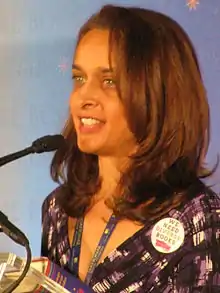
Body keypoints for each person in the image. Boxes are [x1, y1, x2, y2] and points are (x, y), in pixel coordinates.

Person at [41, 4, 220, 292]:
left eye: (109, 81)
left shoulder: (199, 221)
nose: (83, 97)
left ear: (157, 95)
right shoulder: (57, 209)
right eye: (79, 78)